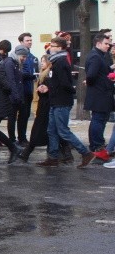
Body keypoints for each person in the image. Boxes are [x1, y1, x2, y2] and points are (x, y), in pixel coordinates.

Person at [36, 37, 95, 168]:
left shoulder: (61, 62)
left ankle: (85, 153)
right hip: (55, 100)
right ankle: (53, 157)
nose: (50, 47)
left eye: (53, 45)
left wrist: (52, 88)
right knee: (51, 130)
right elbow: (56, 82)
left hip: (61, 101)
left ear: (60, 47)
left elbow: (65, 83)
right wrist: (48, 87)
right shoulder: (55, 62)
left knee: (63, 130)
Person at [84, 33, 114, 160]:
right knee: (98, 120)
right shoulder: (95, 56)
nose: (108, 46)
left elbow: (102, 71)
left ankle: (97, 144)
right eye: (106, 44)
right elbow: (91, 76)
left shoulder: (99, 55)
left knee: (100, 120)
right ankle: (97, 145)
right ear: (98, 43)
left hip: (101, 93)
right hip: (99, 94)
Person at [9, 33, 38, 146]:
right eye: (27, 40)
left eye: (31, 40)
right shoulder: (15, 57)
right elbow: (20, 74)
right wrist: (33, 75)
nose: (30, 42)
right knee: (13, 116)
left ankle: (22, 138)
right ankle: (12, 139)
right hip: (19, 91)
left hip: (28, 90)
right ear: (21, 42)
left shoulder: (32, 57)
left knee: (25, 116)